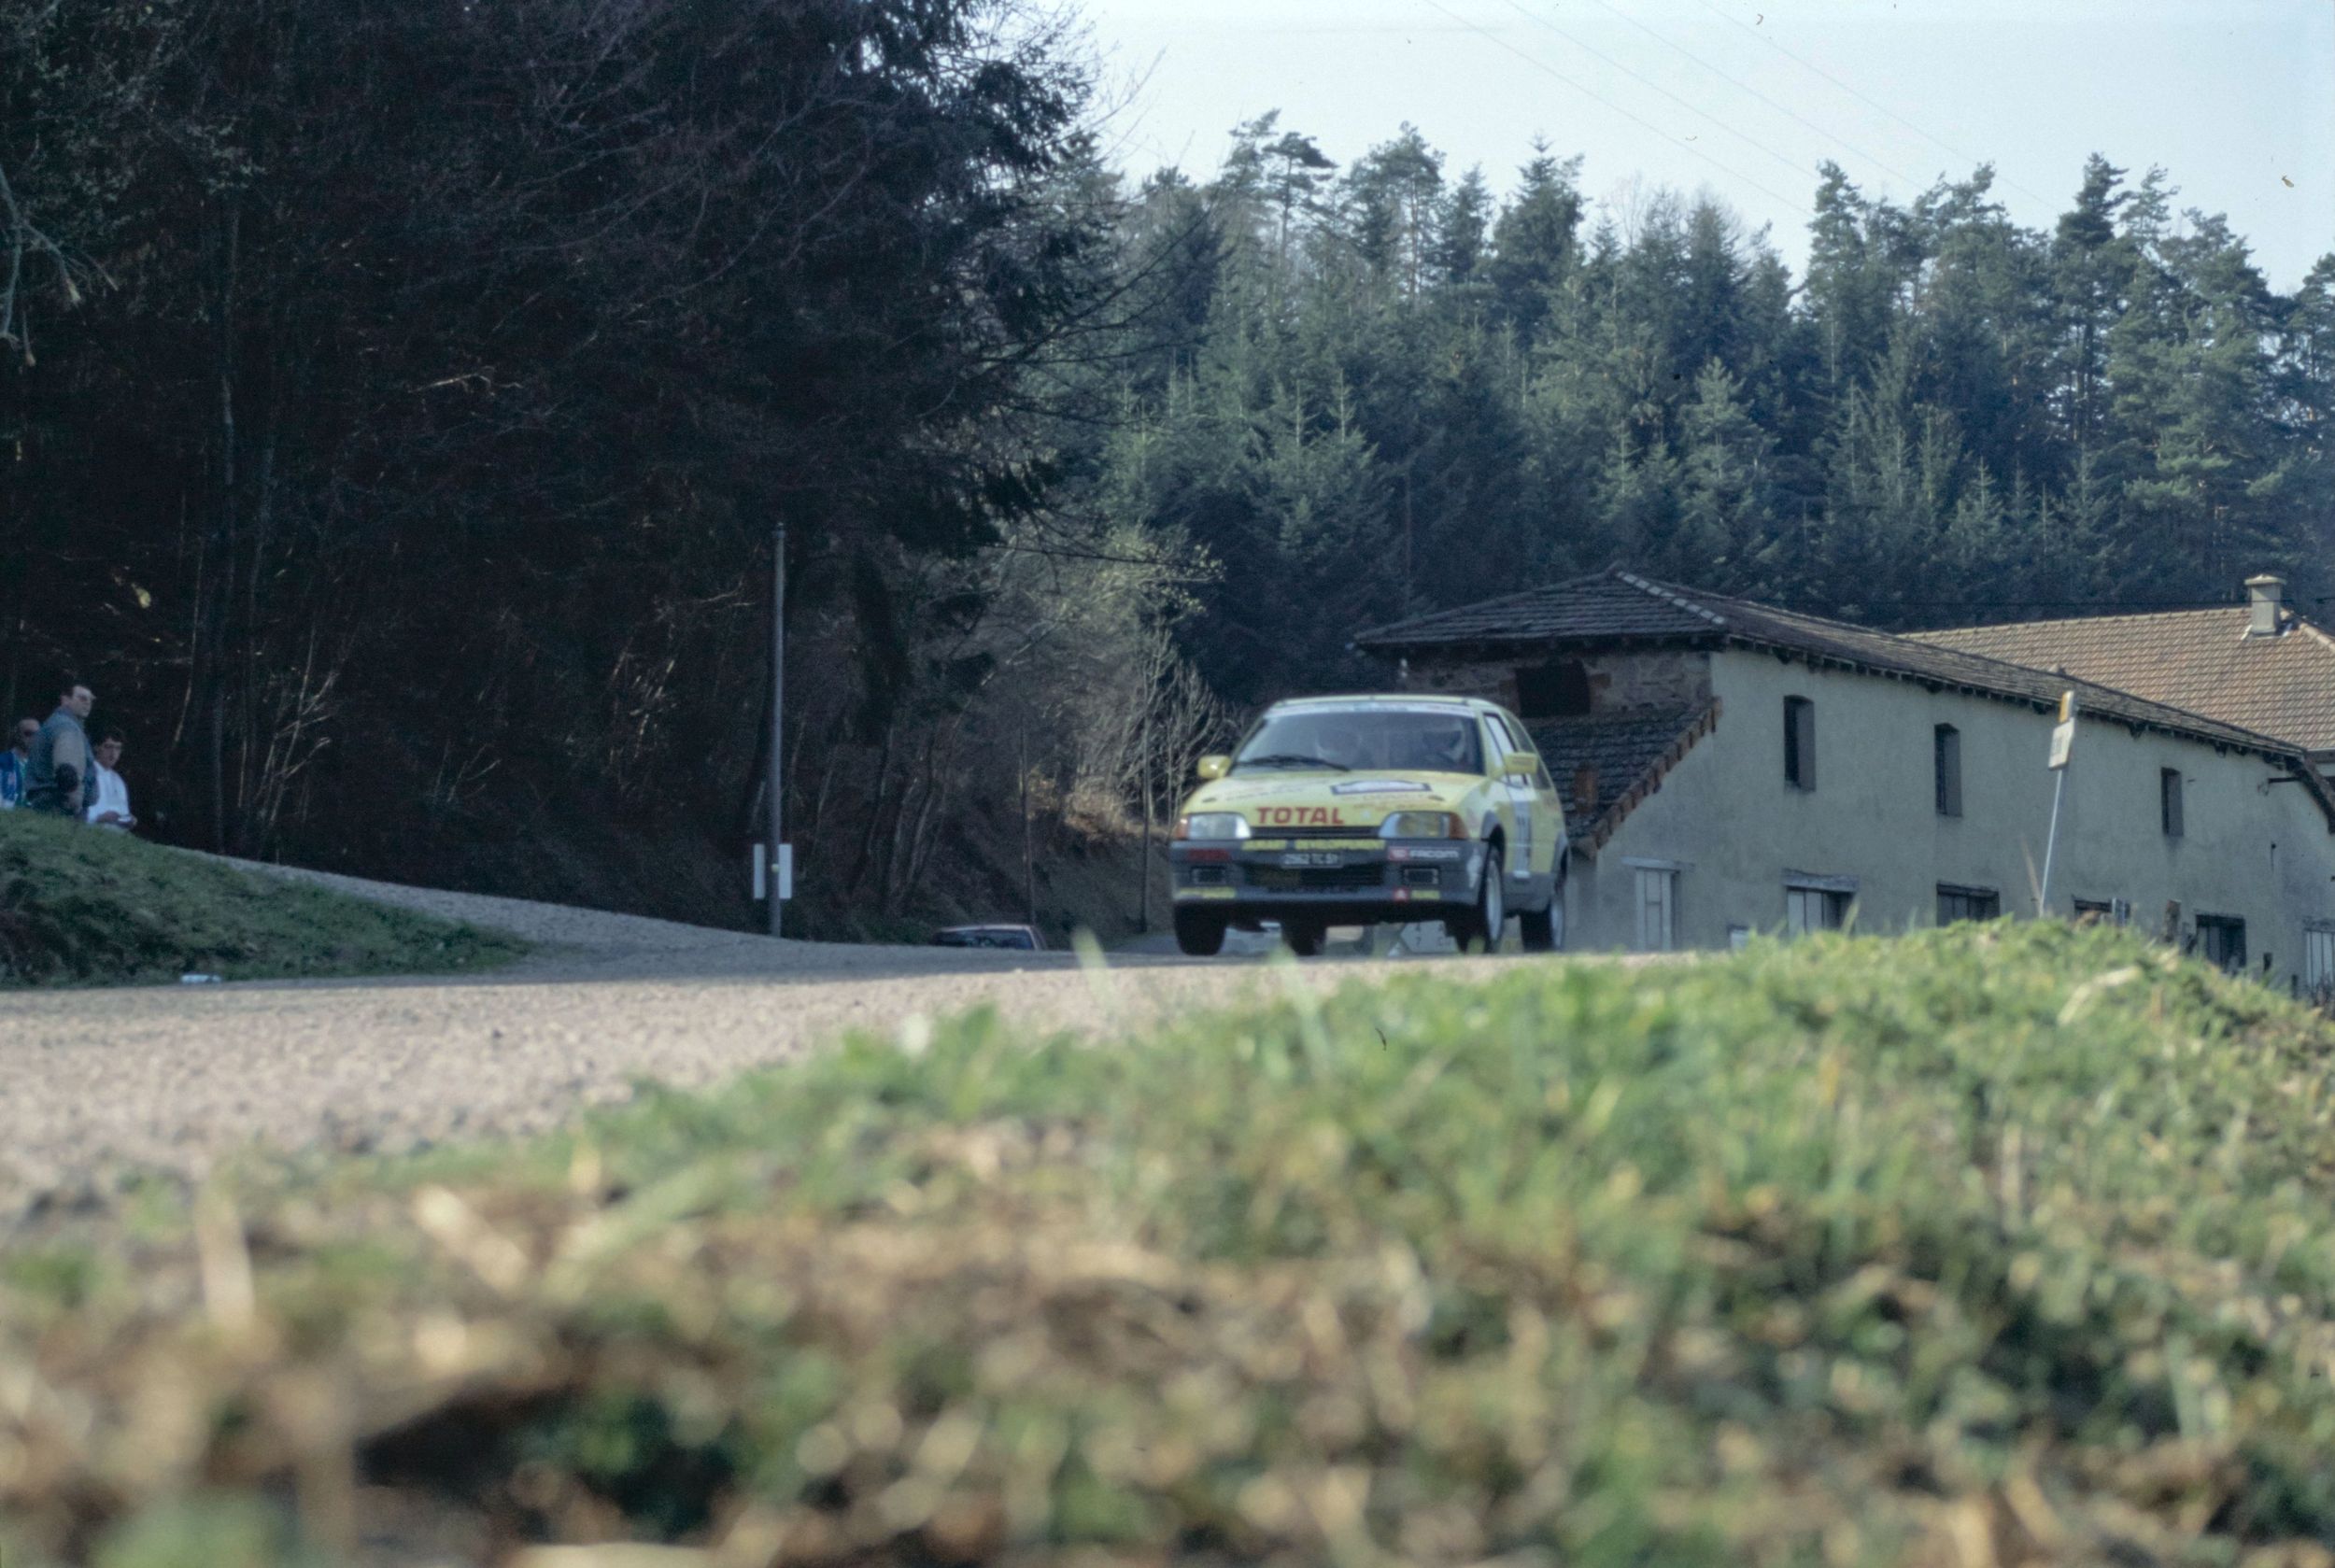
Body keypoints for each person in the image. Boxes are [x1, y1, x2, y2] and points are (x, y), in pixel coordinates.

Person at [24, 680, 95, 818]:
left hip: (48, 803)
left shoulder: (56, 724)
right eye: (82, 698)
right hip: (59, 807)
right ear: (65, 700)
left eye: (90, 700)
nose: (87, 703)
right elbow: (67, 772)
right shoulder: (66, 727)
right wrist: (73, 803)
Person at [84, 732, 136, 831]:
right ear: (96, 747)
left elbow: (122, 811)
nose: (113, 753)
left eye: (118, 748)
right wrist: (99, 818)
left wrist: (128, 820)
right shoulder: (87, 772)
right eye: (108, 747)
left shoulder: (118, 780)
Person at [0, 716, 32, 810]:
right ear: (17, 735)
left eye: (38, 734)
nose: (34, 738)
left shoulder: (44, 765)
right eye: (28, 733)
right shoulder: (3, 762)